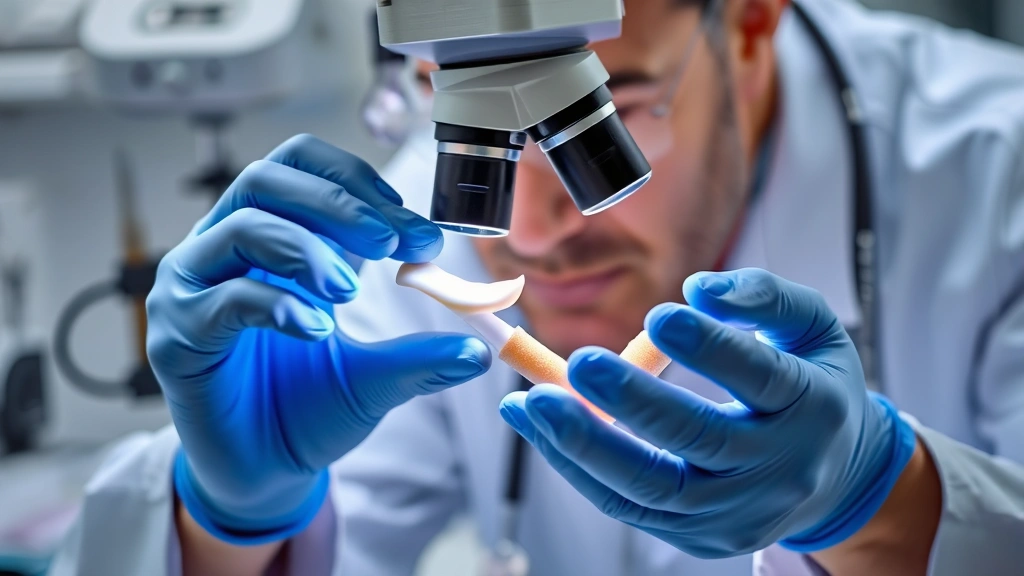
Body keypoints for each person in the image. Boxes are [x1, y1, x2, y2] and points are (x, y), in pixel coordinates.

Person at [50, 0, 1024, 574]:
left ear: (753, 22)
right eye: (469, 127)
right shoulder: (403, 237)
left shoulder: (995, 165)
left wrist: (886, 499)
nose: (529, 225)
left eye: (606, 116)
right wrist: (225, 521)